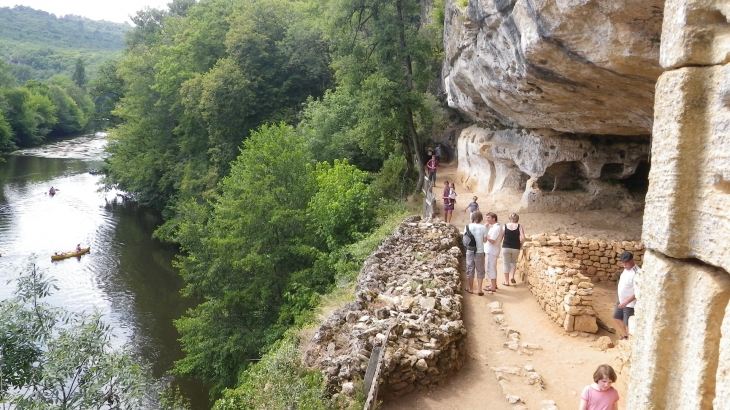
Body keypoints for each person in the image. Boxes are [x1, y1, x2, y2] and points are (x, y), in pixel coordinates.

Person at [613, 251, 639, 340]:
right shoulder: (626, 269)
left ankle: (629, 341)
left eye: (626, 262)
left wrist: (626, 302)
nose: (624, 265)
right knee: (616, 317)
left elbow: (637, 292)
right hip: (621, 301)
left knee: (628, 323)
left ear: (632, 260)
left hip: (630, 304)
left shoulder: (637, 273)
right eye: (623, 262)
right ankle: (625, 336)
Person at [463, 211, 487, 296]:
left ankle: (470, 288)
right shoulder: (484, 227)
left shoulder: (467, 227)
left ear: (472, 217)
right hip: (480, 251)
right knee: (480, 270)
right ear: (481, 218)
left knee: (470, 269)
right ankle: (480, 289)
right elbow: (485, 240)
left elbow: (465, 239)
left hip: (470, 251)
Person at [502, 213, 527, 286]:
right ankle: (512, 276)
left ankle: (506, 282)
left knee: (506, 263)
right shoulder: (519, 226)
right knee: (513, 262)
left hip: (506, 247)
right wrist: (521, 244)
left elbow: (501, 235)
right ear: (517, 219)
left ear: (509, 219)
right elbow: (523, 238)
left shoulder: (505, 226)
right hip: (516, 247)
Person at [484, 212, 502, 292]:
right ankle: (493, 284)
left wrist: (485, 234)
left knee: (491, 268)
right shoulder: (495, 227)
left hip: (491, 251)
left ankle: (493, 287)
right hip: (492, 250)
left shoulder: (495, 228)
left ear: (493, 219)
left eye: (488, 218)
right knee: (492, 268)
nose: (487, 219)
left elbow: (492, 240)